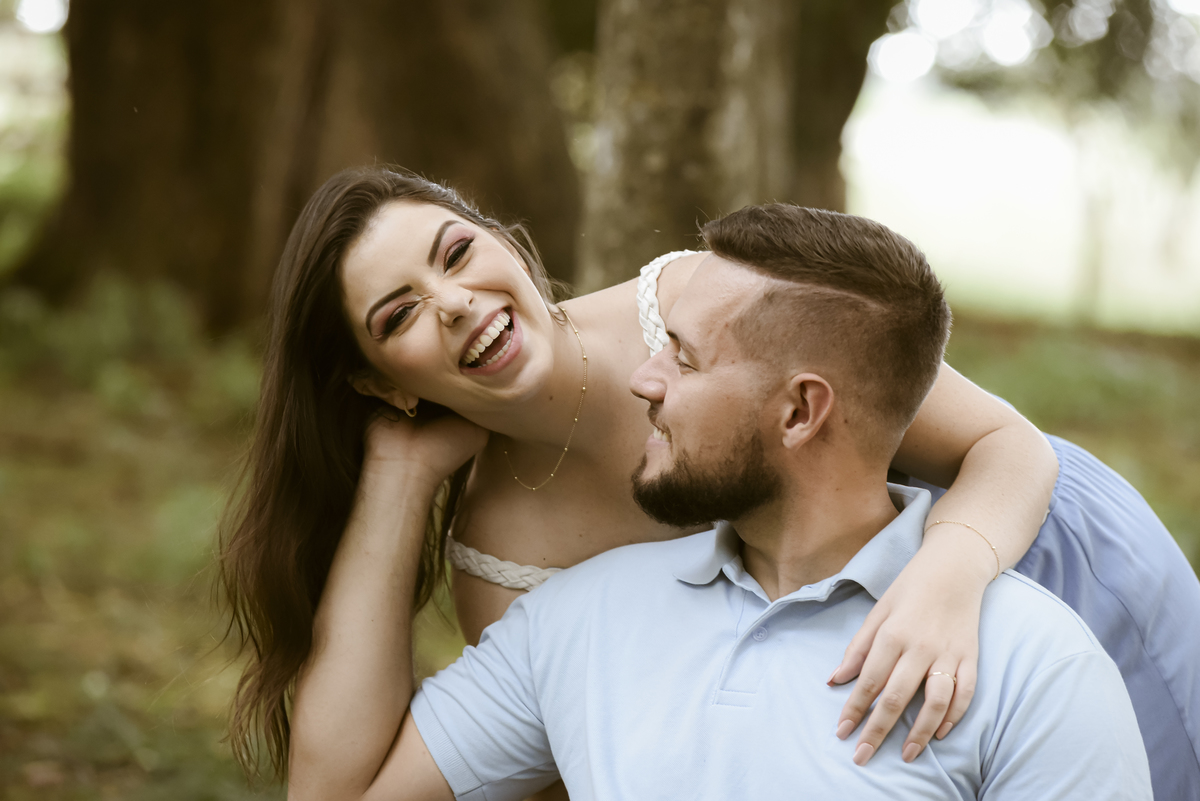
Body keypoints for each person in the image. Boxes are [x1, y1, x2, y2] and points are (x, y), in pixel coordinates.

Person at [220, 167, 1200, 799]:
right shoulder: (504, 562)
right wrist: (397, 476)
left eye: (456, 252)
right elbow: (342, 789)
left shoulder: (698, 299)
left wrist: (947, 579)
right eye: (398, 316)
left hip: (1025, 544)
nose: (453, 302)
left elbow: (1006, 444)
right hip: (868, 681)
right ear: (380, 384)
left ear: (505, 239)